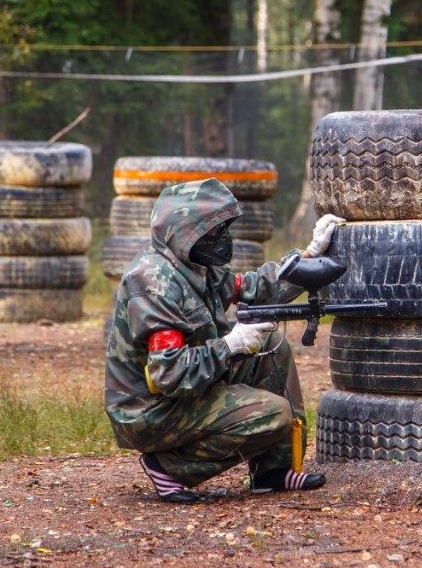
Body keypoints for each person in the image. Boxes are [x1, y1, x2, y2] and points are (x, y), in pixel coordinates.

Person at [103, 177, 346, 503]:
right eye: (214, 232)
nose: (223, 240)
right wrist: (229, 345)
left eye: (223, 229)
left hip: (183, 391)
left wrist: (307, 255)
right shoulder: (154, 282)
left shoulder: (196, 266)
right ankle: (170, 466)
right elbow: (168, 375)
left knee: (271, 342)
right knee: (273, 414)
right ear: (186, 233)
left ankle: (272, 472)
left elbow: (256, 289)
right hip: (149, 409)